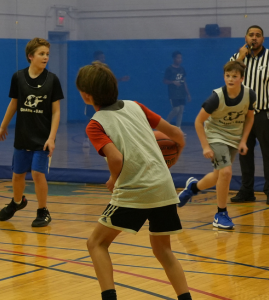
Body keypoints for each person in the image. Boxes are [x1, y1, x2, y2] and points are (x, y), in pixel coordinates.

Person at [79, 61, 191, 300]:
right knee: (163, 250)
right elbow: (178, 135)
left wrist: (113, 178)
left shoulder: (96, 123)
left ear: (86, 95)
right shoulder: (135, 106)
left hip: (135, 190)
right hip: (163, 186)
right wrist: (170, 163)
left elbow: (116, 158)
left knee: (96, 243)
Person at [177, 61, 255, 230]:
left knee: (218, 175)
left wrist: (243, 140)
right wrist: (205, 146)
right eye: (228, 76)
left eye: (234, 76)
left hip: (233, 137)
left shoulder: (249, 94)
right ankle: (221, 214)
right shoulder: (216, 97)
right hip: (215, 136)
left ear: (242, 78)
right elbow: (198, 122)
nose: (231, 79)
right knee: (226, 172)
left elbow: (250, 118)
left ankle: (193, 187)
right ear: (224, 77)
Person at [0, 37, 63, 227]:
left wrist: (52, 138)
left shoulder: (52, 80)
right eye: (42, 54)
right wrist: (4, 125)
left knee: (36, 173)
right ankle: (17, 202)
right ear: (30, 56)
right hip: (23, 136)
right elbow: (14, 103)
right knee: (17, 174)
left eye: (47, 54)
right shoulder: (18, 77)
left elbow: (56, 111)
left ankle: (43, 211)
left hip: (42, 138)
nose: (45, 57)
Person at [230, 25, 269, 205]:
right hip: (242, 116)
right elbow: (231, 84)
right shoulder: (236, 58)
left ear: (263, 39)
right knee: (244, 153)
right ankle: (246, 190)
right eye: (251, 35)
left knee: (268, 153)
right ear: (245, 37)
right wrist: (240, 58)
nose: (254, 38)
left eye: (258, 35)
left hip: (264, 113)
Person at [163, 51, 192, 127]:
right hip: (173, 93)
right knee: (176, 109)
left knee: (181, 110)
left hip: (182, 93)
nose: (180, 59)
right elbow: (164, 81)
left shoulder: (182, 69)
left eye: (181, 58)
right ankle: (165, 124)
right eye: (178, 58)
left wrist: (188, 94)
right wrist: (172, 82)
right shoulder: (169, 69)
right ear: (174, 59)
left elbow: (184, 82)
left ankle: (178, 128)